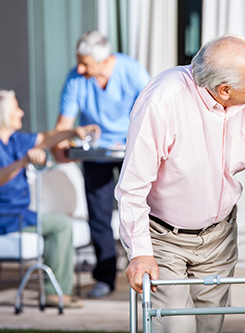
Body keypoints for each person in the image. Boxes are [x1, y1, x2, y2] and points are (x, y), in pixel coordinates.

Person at [115, 35, 245, 333]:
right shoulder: (162, 101)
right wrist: (141, 252)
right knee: (176, 328)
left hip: (219, 236)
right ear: (224, 90)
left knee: (210, 327)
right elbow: (133, 186)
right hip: (164, 238)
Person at [0, 89, 100, 308]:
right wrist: (22, 162)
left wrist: (73, 132)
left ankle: (56, 289)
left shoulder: (13, 139)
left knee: (60, 223)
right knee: (60, 224)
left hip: (16, 213)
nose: (21, 113)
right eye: (16, 109)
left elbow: (46, 138)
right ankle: (53, 293)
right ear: (2, 114)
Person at [51, 31, 151, 298]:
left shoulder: (131, 71)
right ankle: (105, 277)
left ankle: (153, 272)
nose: (80, 68)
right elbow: (64, 125)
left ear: (106, 60)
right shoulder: (76, 78)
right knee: (99, 215)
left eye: (85, 63)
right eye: (78, 62)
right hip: (97, 153)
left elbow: (154, 113)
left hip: (133, 149)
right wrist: (59, 146)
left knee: (148, 208)